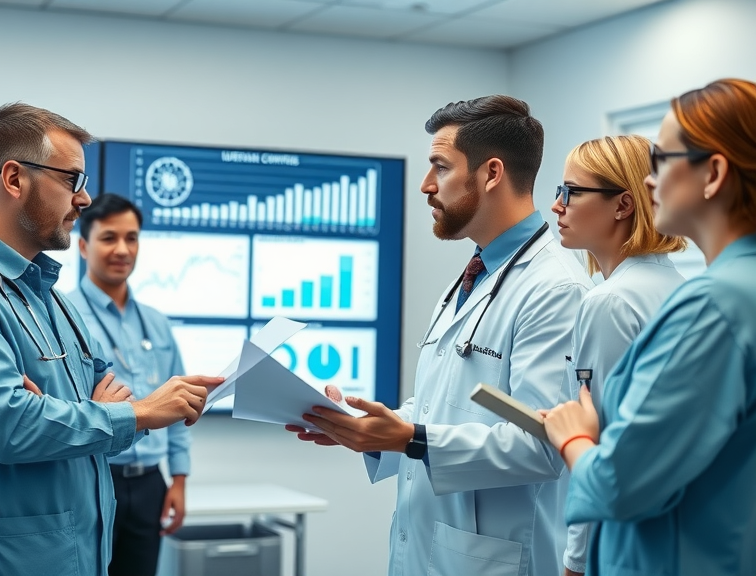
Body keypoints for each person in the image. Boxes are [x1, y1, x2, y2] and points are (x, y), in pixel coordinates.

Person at [0, 102, 221, 576]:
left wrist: (60, 413)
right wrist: (136, 412)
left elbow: (89, 415)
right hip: (2, 563)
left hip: (78, 558)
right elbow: (10, 428)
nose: (84, 199)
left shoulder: (53, 301)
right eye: (72, 179)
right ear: (14, 179)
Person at [288, 94, 591, 576]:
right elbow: (442, 407)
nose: (426, 186)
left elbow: (542, 444)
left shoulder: (555, 289)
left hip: (497, 559)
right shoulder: (473, 274)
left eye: (440, 167)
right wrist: (377, 429)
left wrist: (412, 438)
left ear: (491, 173)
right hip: (432, 548)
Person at [543, 78, 756, 576]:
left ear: (714, 174)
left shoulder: (714, 304)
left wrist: (575, 436)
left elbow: (617, 486)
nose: (648, 181)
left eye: (662, 160)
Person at [550, 135, 686, 576]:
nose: (557, 206)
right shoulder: (679, 287)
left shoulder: (610, 302)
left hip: (614, 549)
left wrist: (575, 561)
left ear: (623, 205)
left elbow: (600, 448)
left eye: (571, 192)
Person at [68, 192, 190, 576]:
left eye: (131, 238)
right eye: (109, 238)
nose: (122, 249)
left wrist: (179, 480)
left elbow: (179, 405)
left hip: (152, 482)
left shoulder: (157, 322)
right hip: (93, 477)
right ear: (84, 246)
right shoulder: (64, 315)